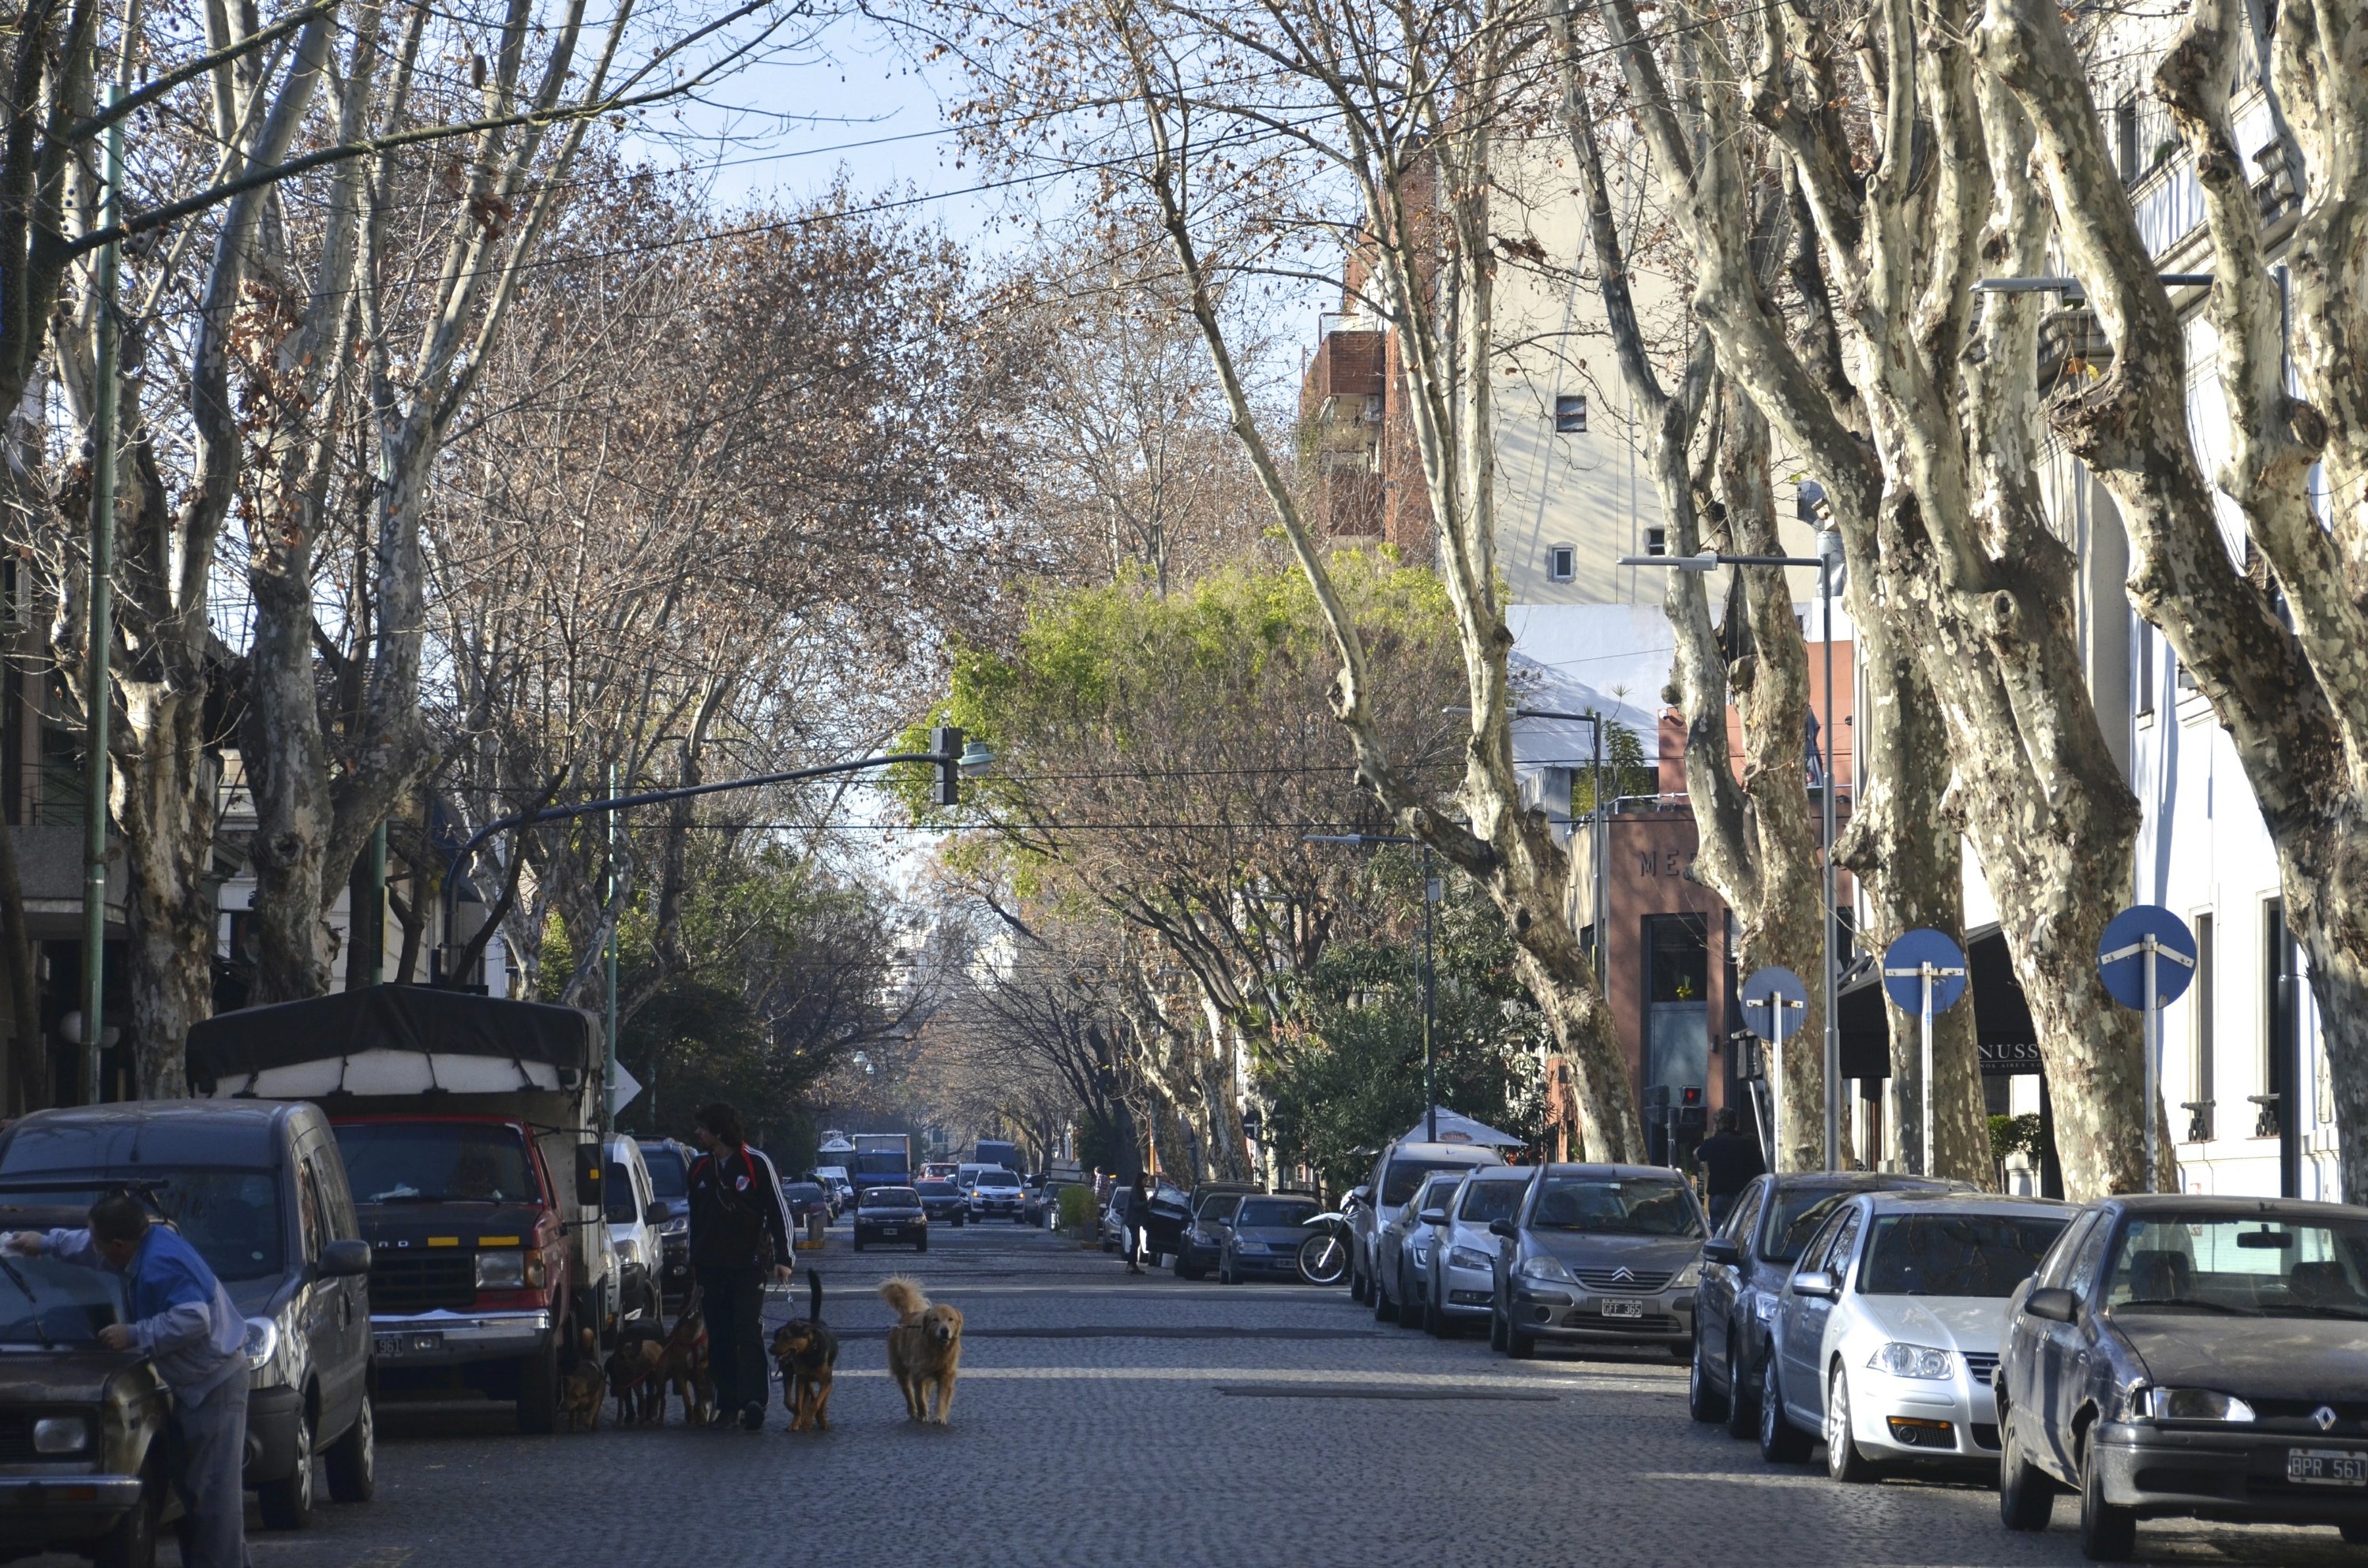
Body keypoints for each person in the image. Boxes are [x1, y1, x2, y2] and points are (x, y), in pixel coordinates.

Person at [4, 1193, 250, 1567]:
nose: (95, 1251)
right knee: (198, 1495)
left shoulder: (159, 1264)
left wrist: (135, 1334)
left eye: (100, 1243)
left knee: (213, 1501)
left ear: (119, 1245)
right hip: (201, 1383)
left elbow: (195, 1319)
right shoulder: (145, 1242)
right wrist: (45, 1244)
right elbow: (89, 1247)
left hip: (214, 1384)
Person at [686, 1103, 793, 1431]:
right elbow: (694, 1219)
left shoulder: (756, 1163)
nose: (698, 1133)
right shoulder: (698, 1167)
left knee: (746, 1330)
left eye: (703, 1128)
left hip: (748, 1265)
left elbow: (779, 1212)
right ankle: (727, 1403)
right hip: (710, 1268)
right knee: (718, 1335)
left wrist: (784, 1259)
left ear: (718, 1132)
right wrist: (694, 1261)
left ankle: (753, 1401)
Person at [1693, 1106, 1767, 1226]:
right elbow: (1760, 1171)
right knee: (1743, 1228)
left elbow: (1697, 1154)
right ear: (1735, 1123)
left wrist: (1713, 1137)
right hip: (1743, 1195)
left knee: (1719, 1232)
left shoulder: (1713, 1143)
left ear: (1717, 1125)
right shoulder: (1748, 1144)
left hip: (1719, 1196)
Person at [1122, 1170, 1149, 1274]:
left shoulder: (1141, 1190)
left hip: (1136, 1220)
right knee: (1135, 1242)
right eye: (1145, 1180)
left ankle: (1133, 1264)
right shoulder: (1135, 1191)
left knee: (1136, 1242)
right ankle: (1130, 1264)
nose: (1146, 1182)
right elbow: (1137, 1204)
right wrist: (1147, 1203)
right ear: (1140, 1180)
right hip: (1131, 1220)